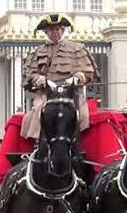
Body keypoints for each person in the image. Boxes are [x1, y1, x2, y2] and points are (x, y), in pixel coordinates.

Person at [20, 13, 98, 141]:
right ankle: (38, 144)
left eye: (57, 29)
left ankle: (80, 144)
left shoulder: (76, 48)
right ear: (46, 32)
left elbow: (89, 72)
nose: (54, 32)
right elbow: (30, 75)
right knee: (39, 110)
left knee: (81, 115)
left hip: (72, 95)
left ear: (62, 30)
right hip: (46, 94)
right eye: (51, 30)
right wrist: (39, 79)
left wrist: (77, 78)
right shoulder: (37, 52)